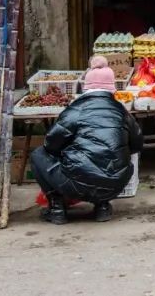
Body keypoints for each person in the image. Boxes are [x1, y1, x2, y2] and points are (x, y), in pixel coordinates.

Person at [31, 56, 143, 225]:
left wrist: (68, 152)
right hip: (116, 184)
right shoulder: (122, 111)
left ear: (86, 87)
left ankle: (57, 208)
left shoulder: (76, 110)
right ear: (111, 87)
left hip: (76, 184)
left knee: (38, 155)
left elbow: (50, 145)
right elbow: (137, 144)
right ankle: (102, 206)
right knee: (111, 162)